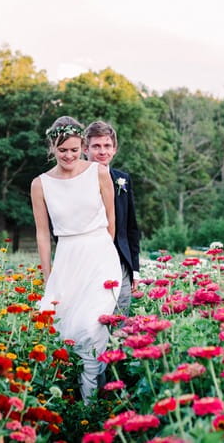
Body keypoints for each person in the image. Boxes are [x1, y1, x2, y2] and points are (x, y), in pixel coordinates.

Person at [31, 116, 122, 402]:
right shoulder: (40, 184)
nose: (68, 156)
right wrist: (49, 279)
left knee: (91, 324)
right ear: (52, 148)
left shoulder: (99, 172)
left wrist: (103, 250)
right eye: (62, 151)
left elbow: (111, 219)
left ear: (81, 145)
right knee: (61, 326)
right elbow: (43, 235)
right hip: (67, 258)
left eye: (73, 149)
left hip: (99, 255)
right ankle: (65, 400)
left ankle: (90, 402)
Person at [84, 121, 140, 314]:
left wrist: (135, 269)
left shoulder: (122, 179)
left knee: (120, 318)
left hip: (120, 260)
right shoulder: (75, 181)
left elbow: (131, 227)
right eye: (96, 146)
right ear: (85, 149)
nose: (102, 151)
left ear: (114, 149)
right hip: (87, 262)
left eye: (107, 146)